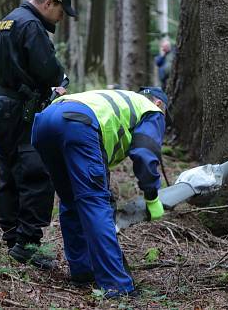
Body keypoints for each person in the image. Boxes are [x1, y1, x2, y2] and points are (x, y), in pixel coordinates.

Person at [31, 87, 168, 297]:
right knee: (94, 203)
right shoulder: (151, 111)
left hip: (44, 123)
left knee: (71, 201)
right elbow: (144, 153)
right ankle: (117, 285)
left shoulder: (118, 99)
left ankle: (83, 271)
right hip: (78, 125)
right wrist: (152, 196)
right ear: (159, 103)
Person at [0, 0, 75, 269]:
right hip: (24, 108)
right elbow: (47, 69)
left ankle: (13, 235)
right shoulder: (31, 26)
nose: (62, 18)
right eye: (62, 11)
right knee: (35, 171)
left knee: (10, 170)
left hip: (1, 105)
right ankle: (26, 244)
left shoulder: (7, 20)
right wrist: (59, 83)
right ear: (49, 2)